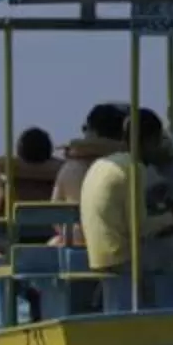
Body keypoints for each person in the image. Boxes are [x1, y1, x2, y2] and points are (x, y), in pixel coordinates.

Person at [78, 109, 173, 284]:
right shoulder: (134, 169)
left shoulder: (103, 163)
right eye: (158, 141)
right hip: (122, 260)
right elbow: (140, 228)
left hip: (98, 257)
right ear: (149, 141)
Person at [50, 104, 129, 249]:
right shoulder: (128, 165)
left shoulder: (70, 168)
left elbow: (55, 216)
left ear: (91, 130)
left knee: (54, 242)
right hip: (119, 244)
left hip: (77, 241)